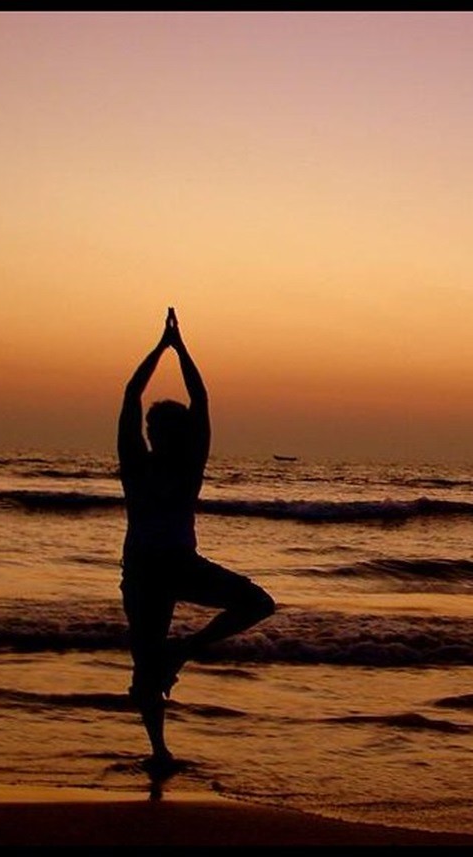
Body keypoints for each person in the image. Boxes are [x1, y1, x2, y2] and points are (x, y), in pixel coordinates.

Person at [118, 307, 276, 775]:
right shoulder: (143, 463)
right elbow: (137, 396)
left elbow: (188, 398)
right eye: (158, 430)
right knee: (147, 665)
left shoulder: (173, 464)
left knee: (256, 603)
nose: (160, 435)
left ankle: (181, 652)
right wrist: (171, 346)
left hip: (170, 566)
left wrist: (172, 348)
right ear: (152, 434)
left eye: (167, 430)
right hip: (149, 572)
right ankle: (160, 751)